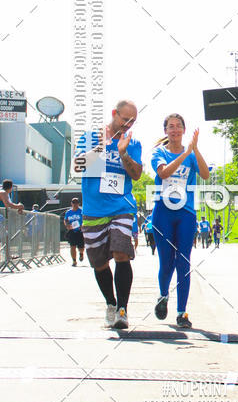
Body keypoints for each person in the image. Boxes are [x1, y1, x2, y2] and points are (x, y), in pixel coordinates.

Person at [75, 100, 142, 330]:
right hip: (93, 210)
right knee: (100, 263)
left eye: (132, 121)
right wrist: (101, 146)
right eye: (125, 119)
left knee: (121, 253)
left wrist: (123, 153)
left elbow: (137, 175)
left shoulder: (132, 143)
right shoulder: (90, 138)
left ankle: (122, 309)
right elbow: (77, 166)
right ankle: (111, 304)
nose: (128, 124)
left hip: (121, 207)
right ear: (114, 114)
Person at [151, 114, 209, 328]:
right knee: (166, 262)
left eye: (178, 126)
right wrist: (186, 153)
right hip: (163, 212)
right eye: (171, 127)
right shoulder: (159, 153)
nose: (175, 130)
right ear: (165, 131)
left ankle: (182, 312)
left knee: (183, 261)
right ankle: (163, 296)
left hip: (185, 213)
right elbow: (164, 172)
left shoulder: (191, 154)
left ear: (184, 130)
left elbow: (205, 175)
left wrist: (194, 149)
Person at [64, 197, 85, 266]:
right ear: (71, 203)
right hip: (72, 231)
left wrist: (83, 225)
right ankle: (74, 261)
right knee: (72, 246)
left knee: (81, 247)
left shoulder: (81, 211)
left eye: (76, 203)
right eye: (73, 203)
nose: (75, 204)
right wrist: (67, 225)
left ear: (78, 204)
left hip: (80, 230)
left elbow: (85, 219)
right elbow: (66, 220)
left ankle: (81, 253)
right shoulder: (68, 212)